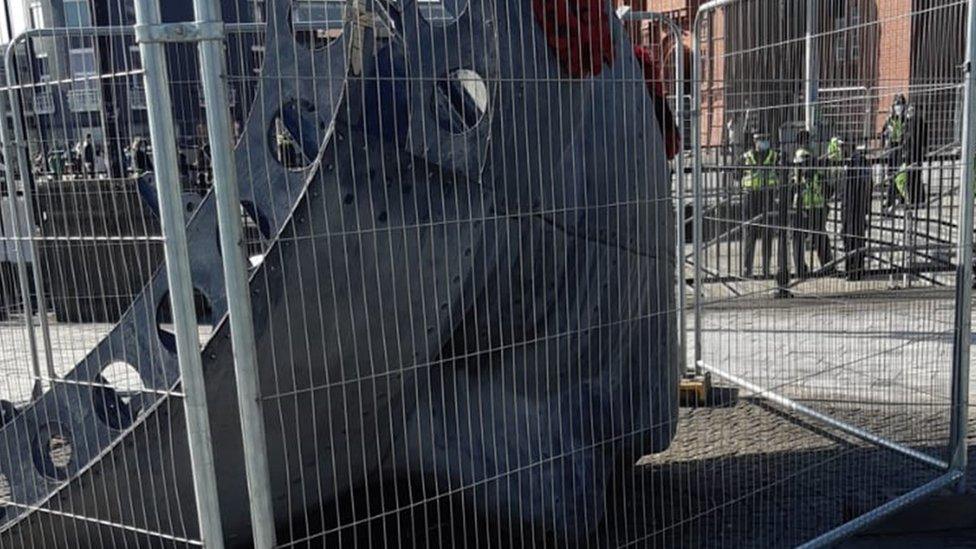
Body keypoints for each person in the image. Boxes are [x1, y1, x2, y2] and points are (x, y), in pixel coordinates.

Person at [740, 132, 783, 279]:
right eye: (759, 139)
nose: (762, 141)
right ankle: (747, 269)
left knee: (768, 233)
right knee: (750, 233)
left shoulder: (775, 156)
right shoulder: (746, 157)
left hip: (768, 196)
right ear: (754, 140)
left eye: (765, 138)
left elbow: (781, 173)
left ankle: (766, 269)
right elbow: (736, 174)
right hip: (751, 196)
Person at [792, 147, 834, 278]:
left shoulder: (817, 176)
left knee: (820, 238)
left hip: (817, 209)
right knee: (799, 240)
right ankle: (801, 269)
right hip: (801, 211)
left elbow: (829, 191)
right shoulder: (795, 179)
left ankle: (827, 267)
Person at [840, 144, 872, 281]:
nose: (841, 150)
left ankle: (853, 271)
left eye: (842, 147)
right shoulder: (860, 162)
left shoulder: (855, 163)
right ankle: (856, 270)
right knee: (856, 239)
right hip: (856, 206)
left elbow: (863, 185)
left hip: (853, 206)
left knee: (851, 239)